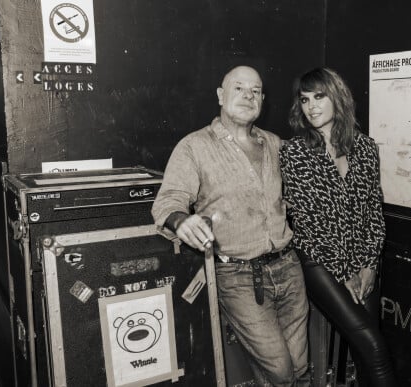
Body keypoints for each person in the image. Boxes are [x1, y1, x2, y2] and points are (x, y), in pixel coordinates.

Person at [152, 65, 310, 386]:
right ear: (221, 96)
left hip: (288, 268)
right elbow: (167, 202)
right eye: (239, 88)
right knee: (280, 372)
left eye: (255, 91)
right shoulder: (194, 146)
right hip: (238, 277)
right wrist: (181, 221)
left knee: (301, 368)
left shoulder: (276, 145)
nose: (248, 96)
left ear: (262, 99)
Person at [279, 67, 397, 387]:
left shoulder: (366, 148)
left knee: (364, 353)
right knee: (373, 345)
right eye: (304, 99)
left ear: (337, 97)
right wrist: (345, 273)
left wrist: (370, 264)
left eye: (319, 96)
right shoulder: (295, 152)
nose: (312, 106)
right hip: (318, 260)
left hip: (363, 260)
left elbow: (374, 210)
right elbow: (307, 222)